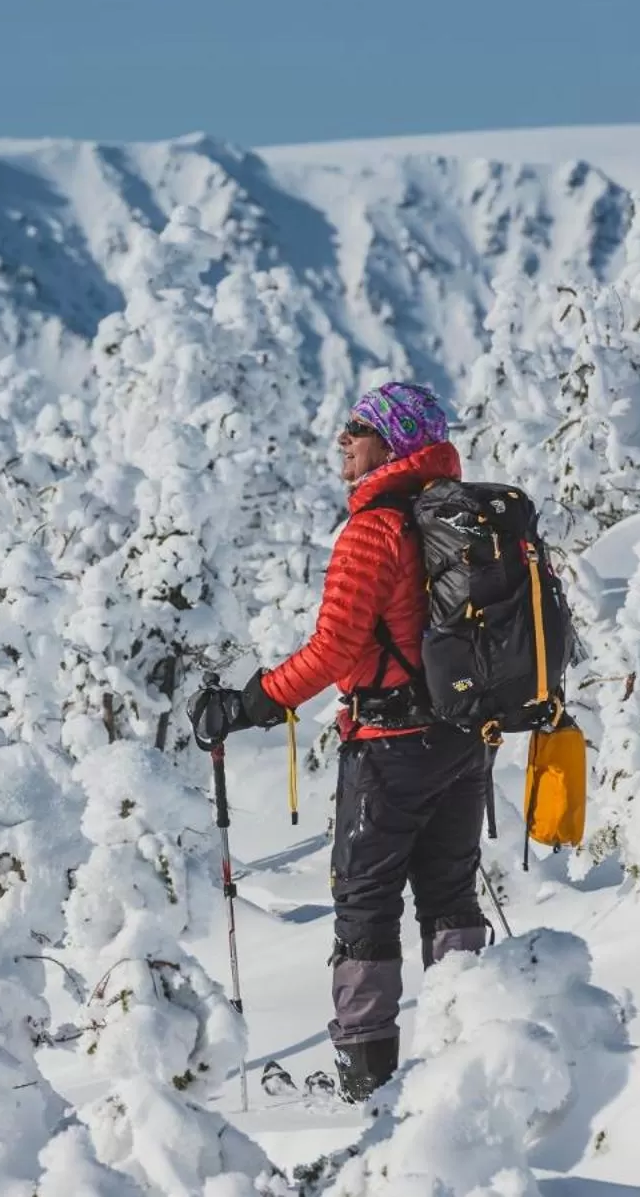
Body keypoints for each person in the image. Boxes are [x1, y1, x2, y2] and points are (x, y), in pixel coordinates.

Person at [189, 381, 489, 1102]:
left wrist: (247, 703)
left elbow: (333, 648)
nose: (342, 440)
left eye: (359, 427)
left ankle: (368, 1080)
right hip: (461, 740)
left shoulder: (374, 529)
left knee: (365, 904)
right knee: (449, 895)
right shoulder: (454, 515)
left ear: (394, 440)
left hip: (389, 744)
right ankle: (473, 1046)